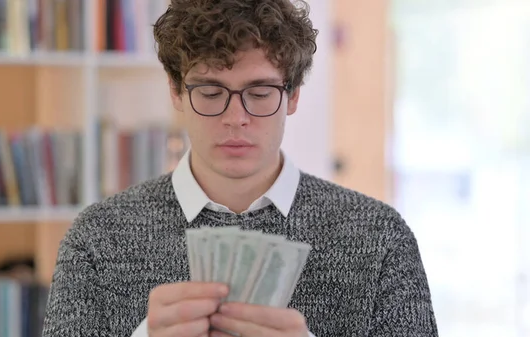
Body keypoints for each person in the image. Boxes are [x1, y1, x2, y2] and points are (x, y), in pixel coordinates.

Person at [41, 0, 439, 336]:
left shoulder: (380, 237)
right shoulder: (98, 238)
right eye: (211, 92)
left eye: (260, 93)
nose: (236, 117)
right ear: (176, 91)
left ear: (293, 95)